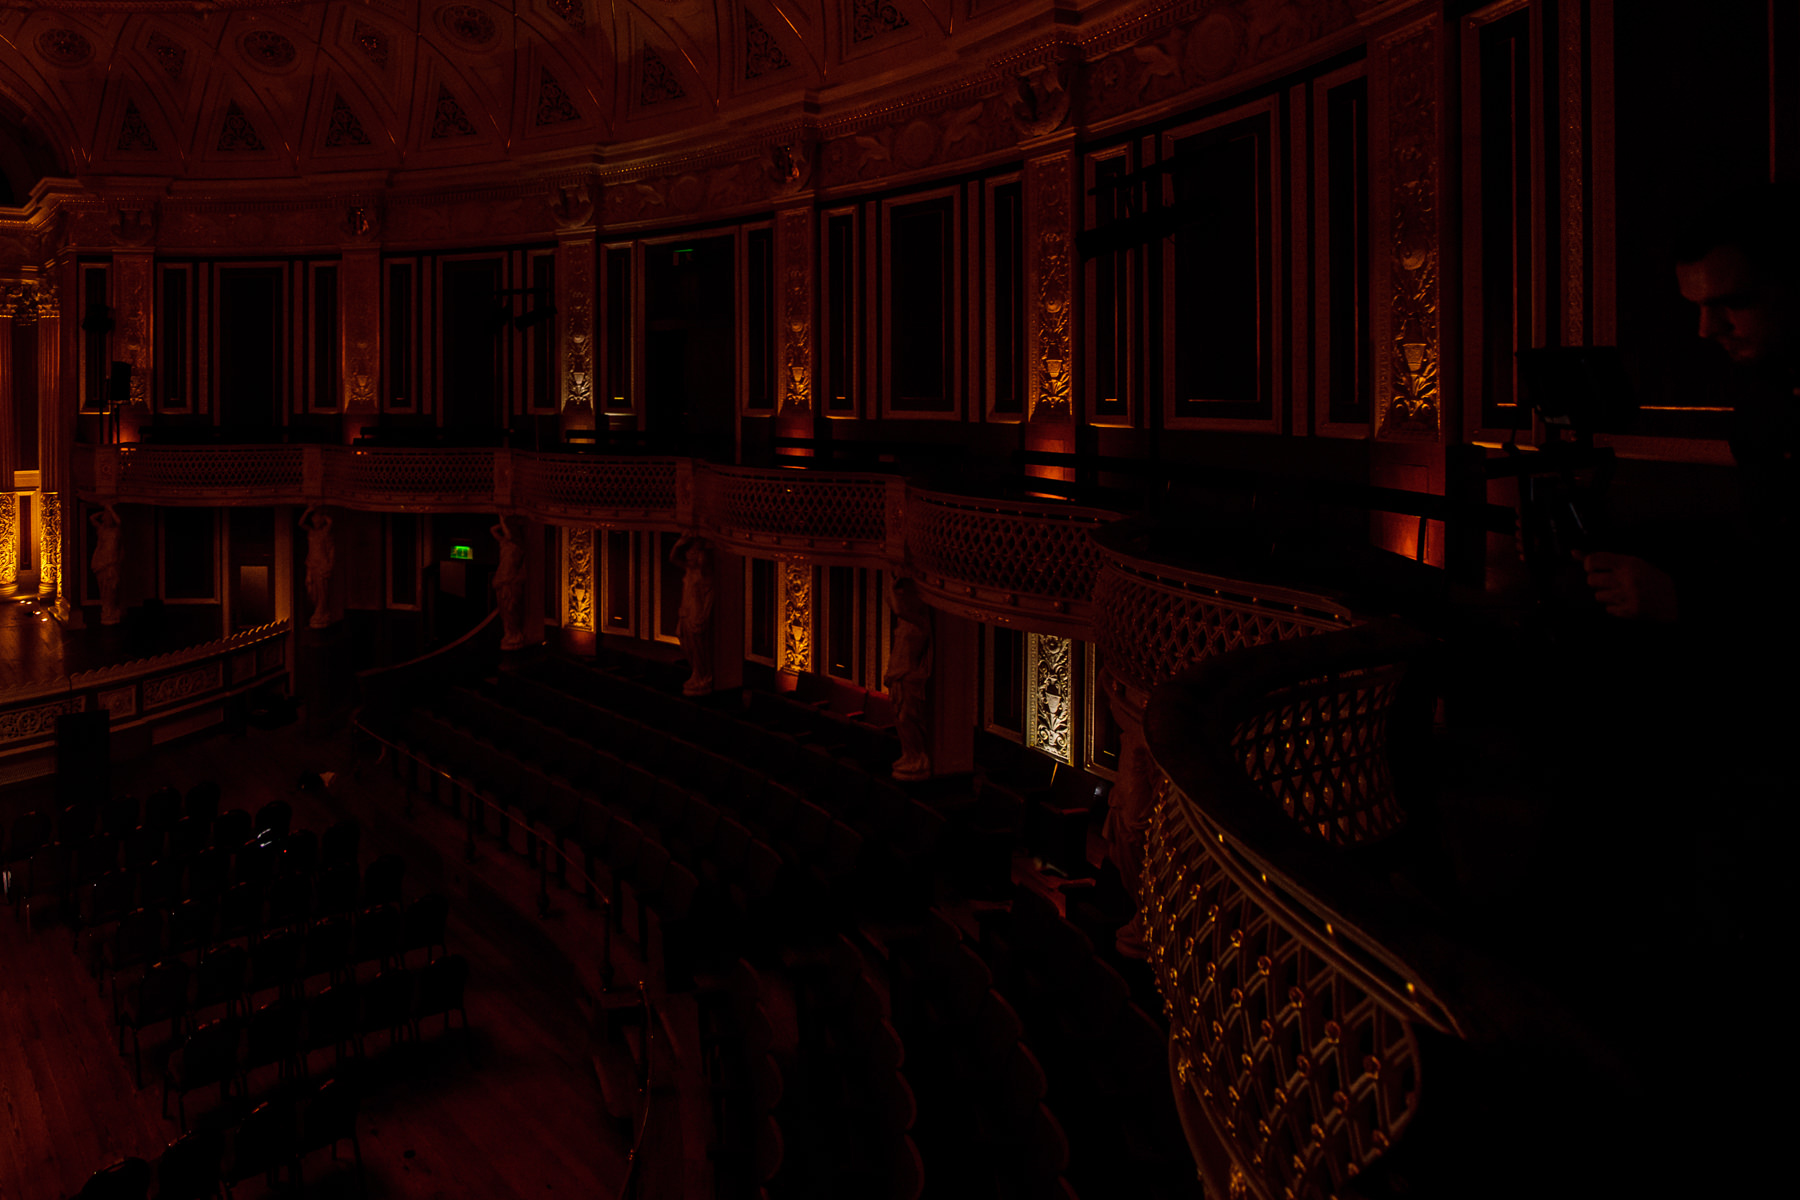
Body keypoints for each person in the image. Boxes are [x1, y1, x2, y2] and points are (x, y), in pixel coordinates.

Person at [491, 514, 528, 650]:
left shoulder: (517, 547)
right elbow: (493, 530)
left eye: (508, 529)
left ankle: (514, 634)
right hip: (502, 580)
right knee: (504, 610)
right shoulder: (505, 544)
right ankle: (509, 633)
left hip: (509, 581)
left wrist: (505, 522)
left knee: (511, 609)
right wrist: (503, 520)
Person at [298, 506, 334, 629]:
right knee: (311, 590)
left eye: (317, 520)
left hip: (321, 565)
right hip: (311, 564)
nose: (315, 522)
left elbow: (330, 522)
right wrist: (307, 511)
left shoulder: (325, 532)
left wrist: (323, 513)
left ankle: (321, 612)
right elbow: (300, 523)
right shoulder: (311, 532)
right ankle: (317, 611)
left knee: (322, 592)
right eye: (314, 520)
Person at [89, 503, 122, 626]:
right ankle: (106, 611)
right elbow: (91, 518)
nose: (107, 520)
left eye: (109, 518)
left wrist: (110, 509)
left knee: (112, 589)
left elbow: (119, 522)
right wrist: (103, 512)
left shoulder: (116, 531)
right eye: (106, 518)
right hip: (102, 562)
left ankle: (112, 611)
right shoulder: (101, 529)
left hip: (112, 563)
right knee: (103, 589)